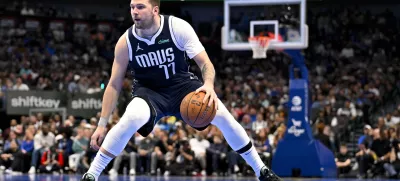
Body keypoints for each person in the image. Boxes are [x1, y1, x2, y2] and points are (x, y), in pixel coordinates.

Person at [80, 0, 281, 180]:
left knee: (222, 115)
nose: (134, 11)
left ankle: (261, 170)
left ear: (155, 10)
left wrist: (208, 85)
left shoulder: (177, 27)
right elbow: (114, 84)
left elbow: (205, 64)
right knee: (131, 117)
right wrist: (102, 124)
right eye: (132, 7)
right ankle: (92, 175)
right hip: (149, 92)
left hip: (182, 86)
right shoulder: (126, 42)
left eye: (140, 7)